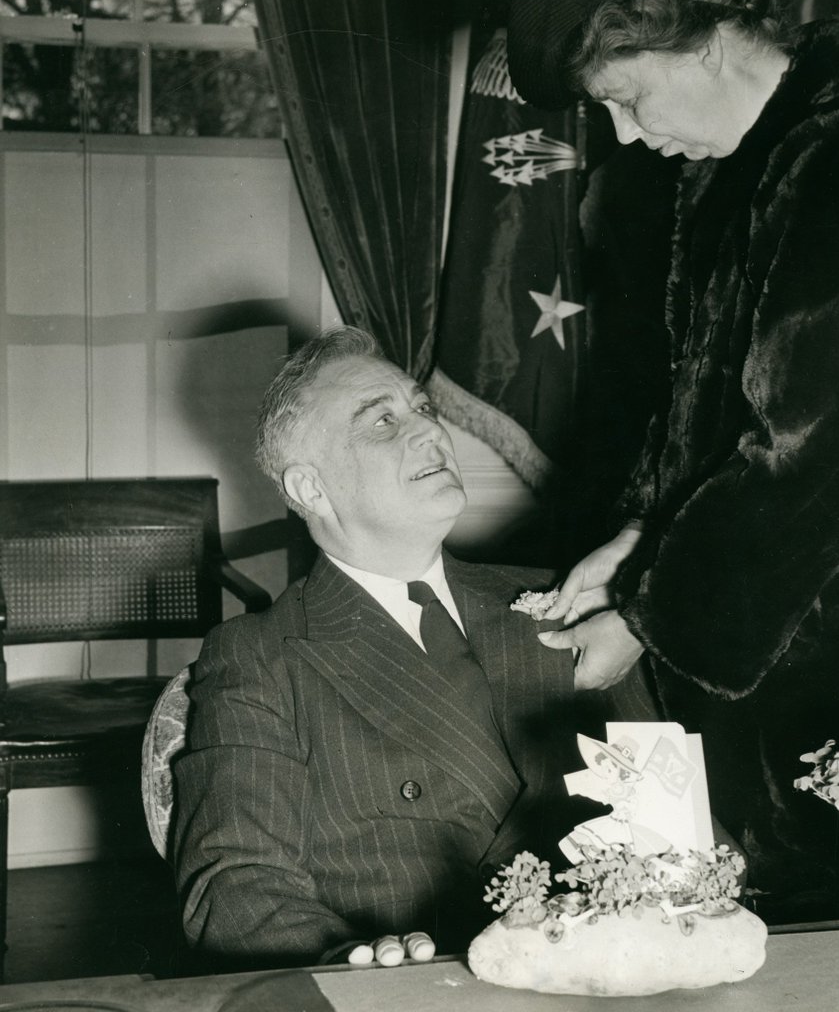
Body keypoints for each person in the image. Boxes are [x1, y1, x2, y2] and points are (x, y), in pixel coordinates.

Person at [505, 0, 839, 918]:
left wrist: (649, 620)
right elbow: (710, 409)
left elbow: (813, 453)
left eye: (624, 98)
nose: (625, 134)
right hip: (787, 636)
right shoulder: (747, 158)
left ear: (699, 38)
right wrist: (635, 542)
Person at [173, 327, 654, 970]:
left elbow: (670, 807)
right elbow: (234, 881)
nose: (430, 430)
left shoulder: (566, 598)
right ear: (311, 489)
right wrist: (349, 961)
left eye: (422, 407)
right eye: (382, 421)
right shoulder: (261, 655)